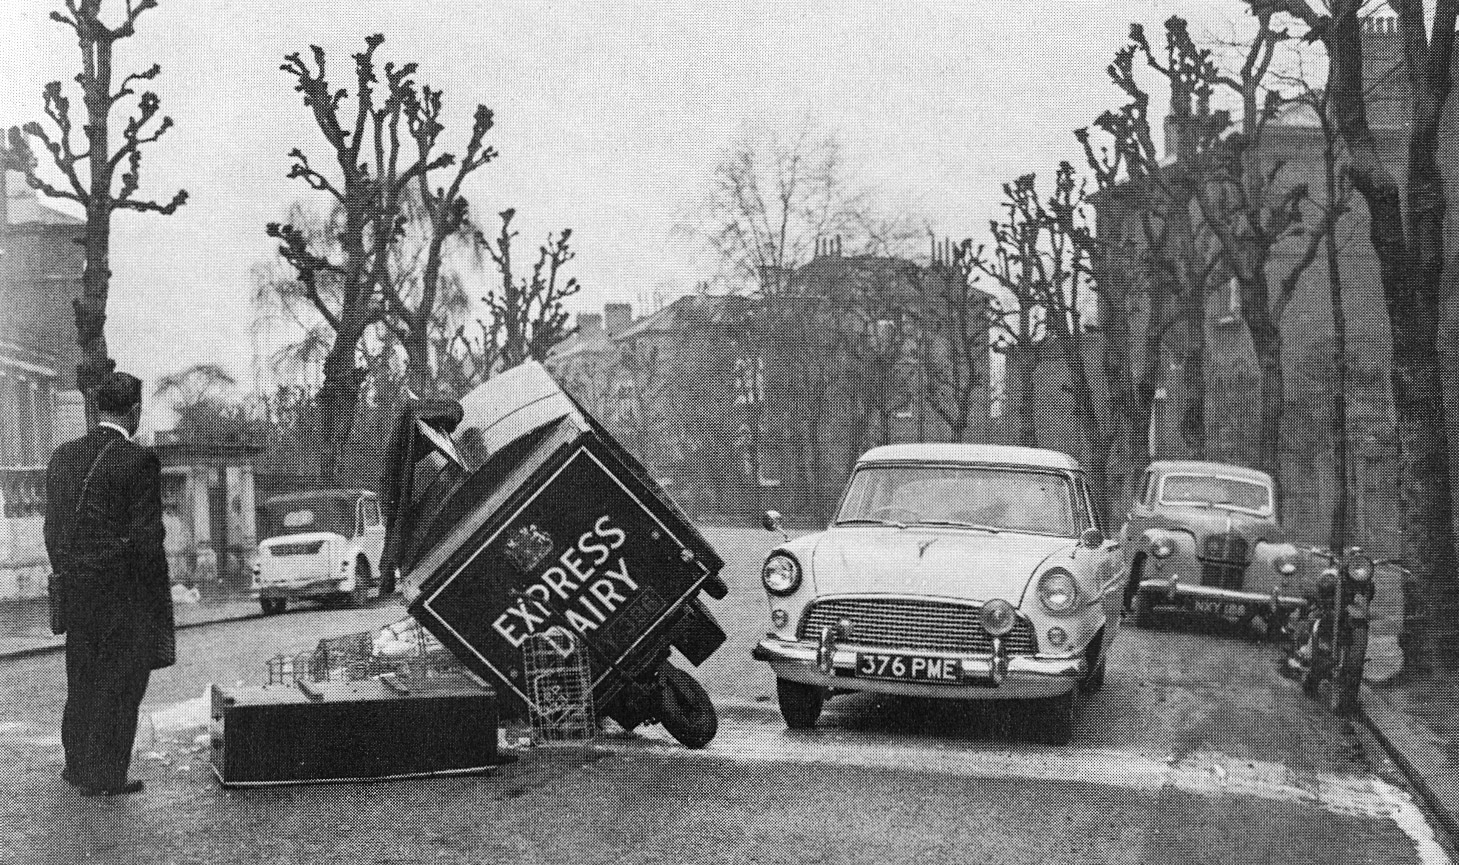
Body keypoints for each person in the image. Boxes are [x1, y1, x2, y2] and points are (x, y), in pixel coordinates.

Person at [43, 372, 175, 797]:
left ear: (98, 408)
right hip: (123, 597)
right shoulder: (138, 462)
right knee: (121, 685)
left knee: (81, 678)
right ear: (134, 412)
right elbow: (146, 542)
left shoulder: (62, 458)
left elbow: (51, 530)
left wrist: (71, 571)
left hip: (77, 594)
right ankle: (106, 775)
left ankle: (78, 765)